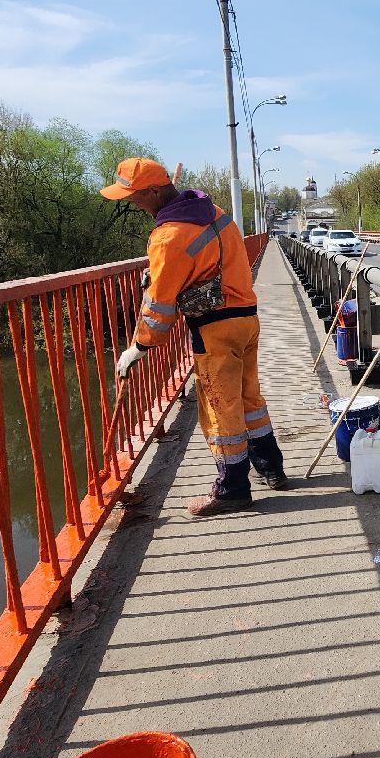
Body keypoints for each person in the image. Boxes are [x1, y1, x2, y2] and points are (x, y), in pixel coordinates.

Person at [101, 157, 288, 517]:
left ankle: (232, 489)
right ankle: (272, 469)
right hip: (246, 319)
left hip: (214, 328)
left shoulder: (168, 236)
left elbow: (159, 306)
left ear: (155, 190)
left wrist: (139, 346)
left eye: (135, 196)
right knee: (250, 399)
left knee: (221, 408)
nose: (132, 203)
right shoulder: (213, 213)